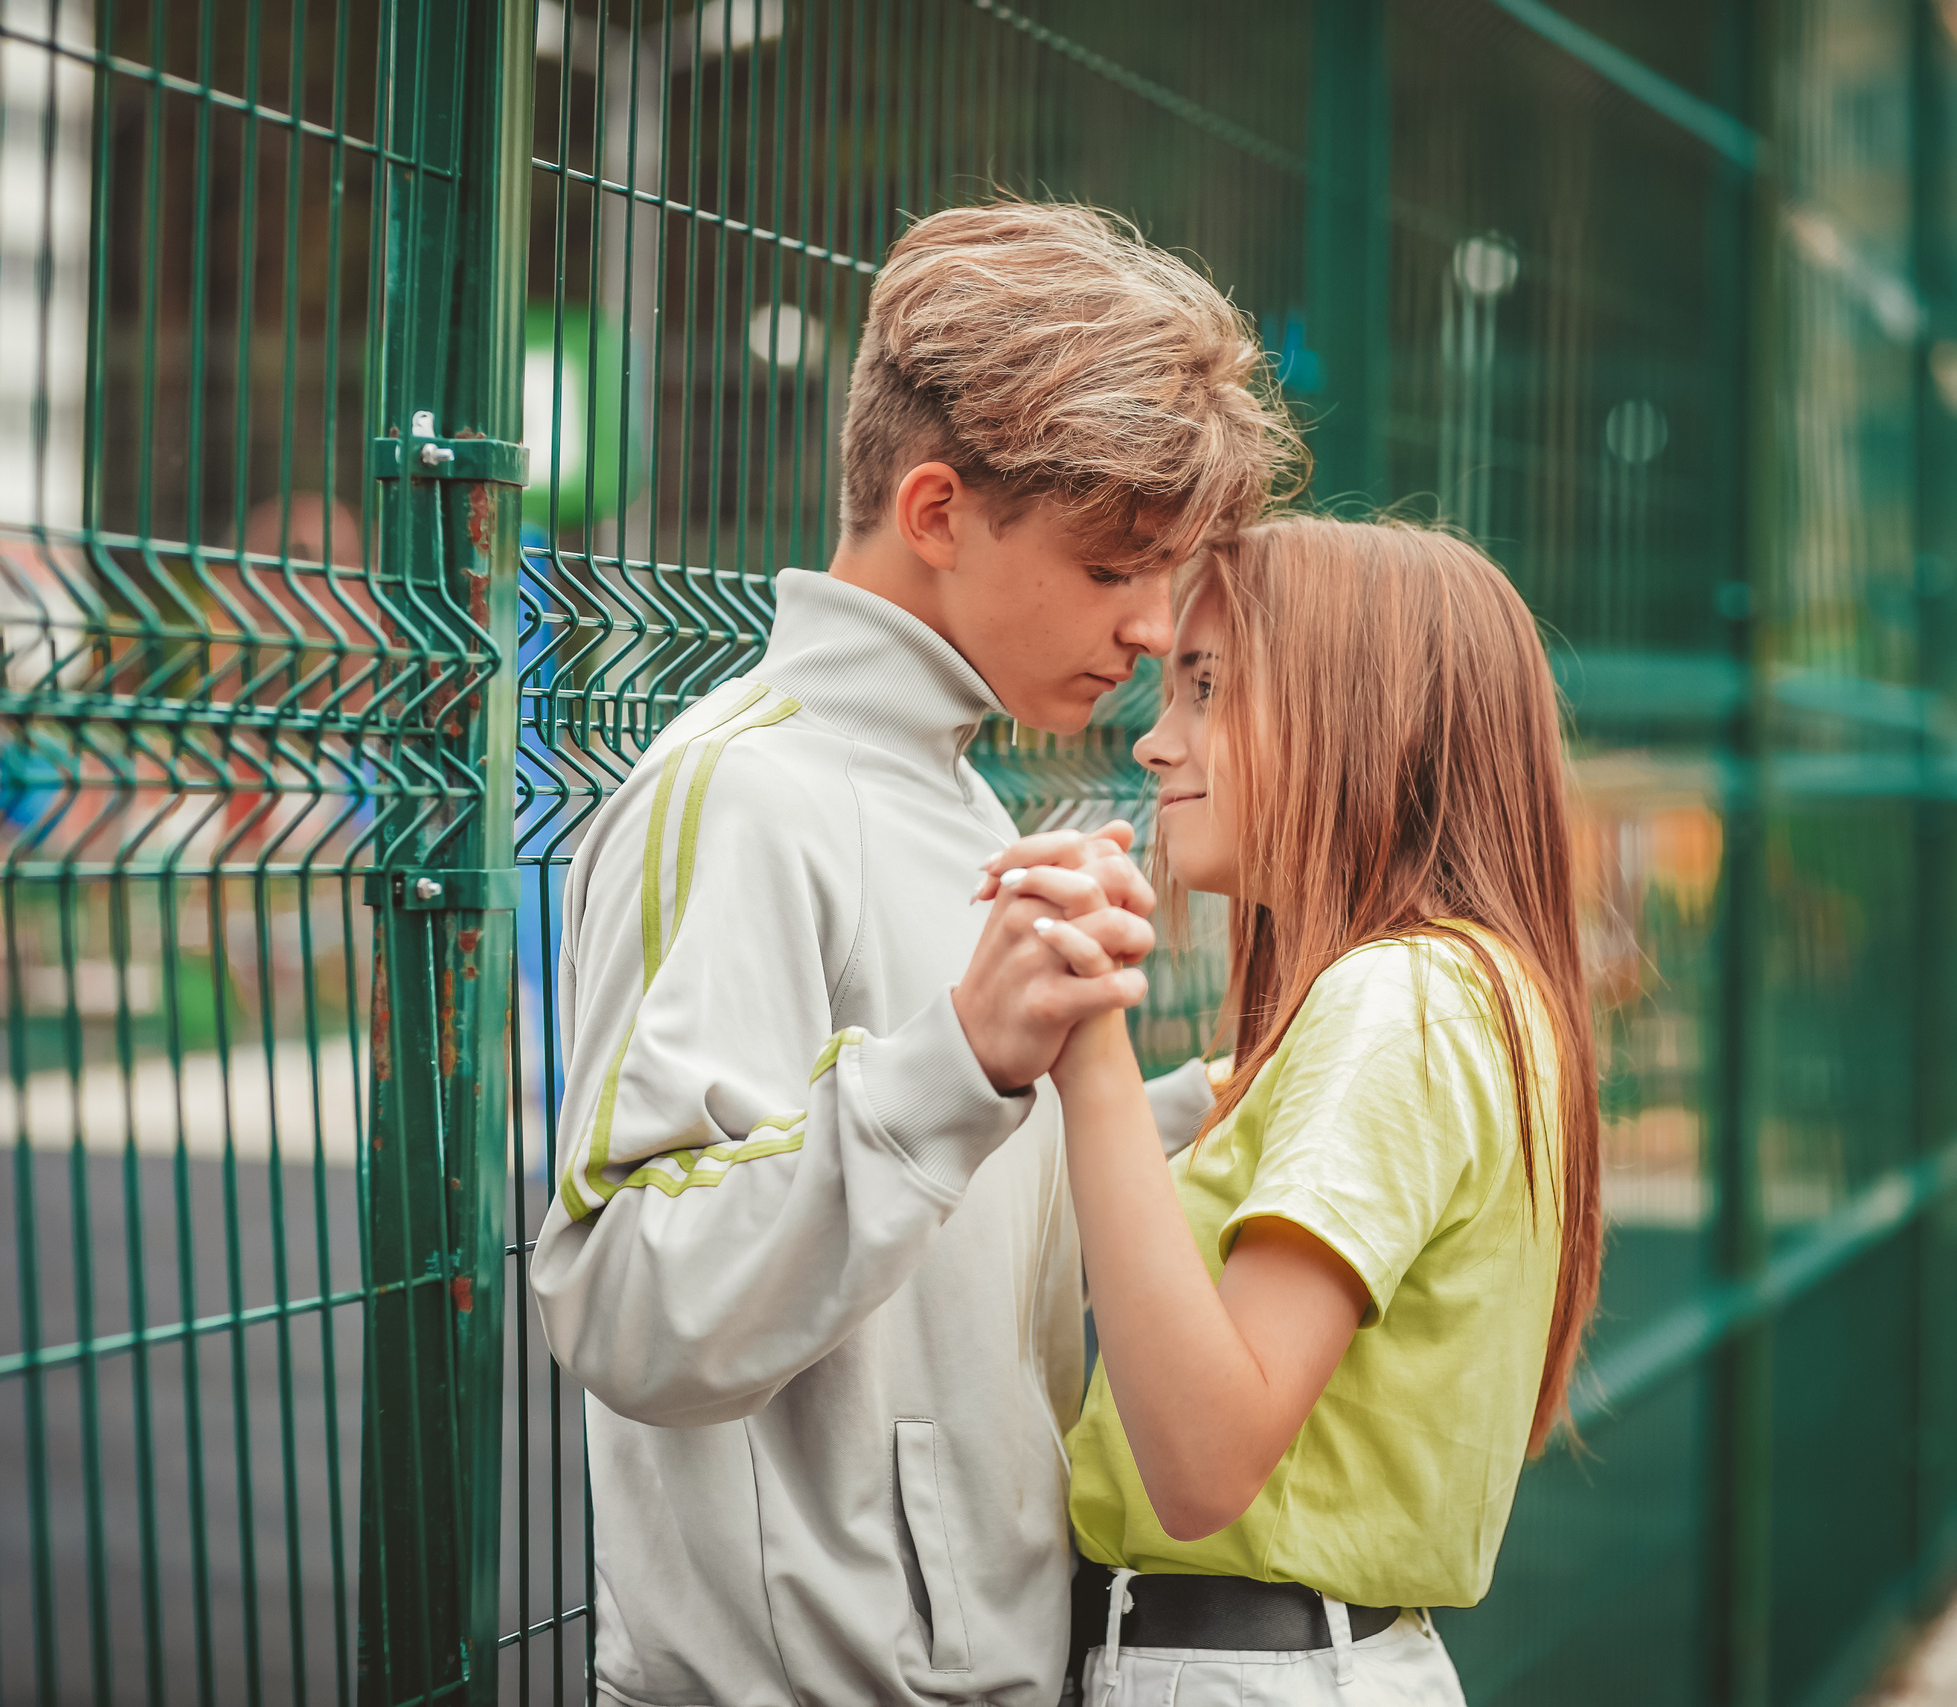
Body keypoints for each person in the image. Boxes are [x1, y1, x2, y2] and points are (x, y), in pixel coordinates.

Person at [529, 201, 1301, 1707]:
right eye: (1110, 568)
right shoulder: (741, 791)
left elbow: (934, 1208)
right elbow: (628, 1298)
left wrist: (1192, 1104)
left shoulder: (951, 796)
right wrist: (958, 1061)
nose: (1153, 626)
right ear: (938, 511)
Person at [1001, 517, 1603, 1705]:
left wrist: (1092, 1043)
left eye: (1208, 689)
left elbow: (1204, 1458)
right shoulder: (1462, 988)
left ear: (1360, 713)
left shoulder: (1404, 999)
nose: (1158, 743)